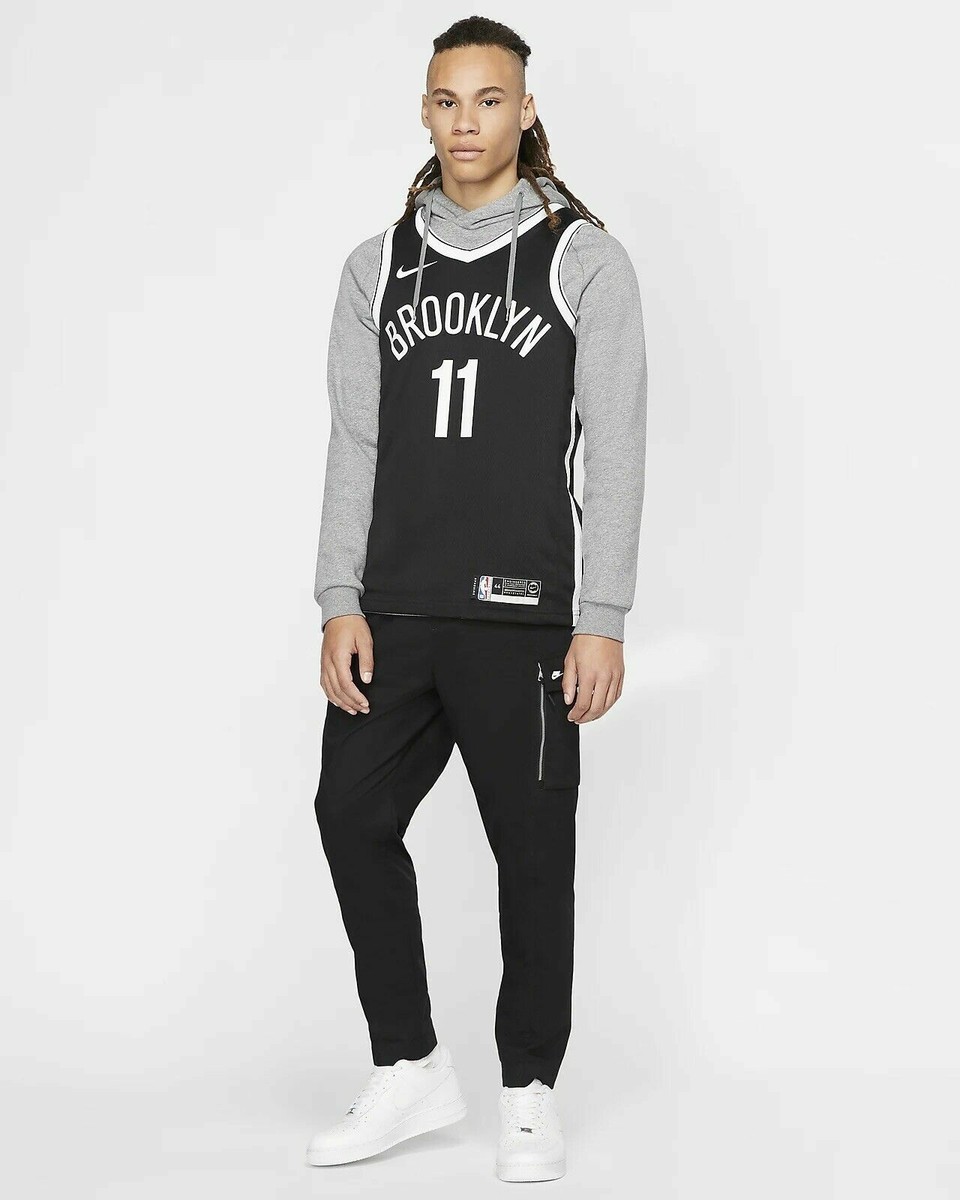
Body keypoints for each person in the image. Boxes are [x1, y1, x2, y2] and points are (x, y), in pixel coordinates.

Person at [306, 15, 646, 1183]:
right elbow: (355, 446)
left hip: (525, 618)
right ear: (425, 111)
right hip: (396, 613)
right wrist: (337, 597)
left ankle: (529, 1089)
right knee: (349, 815)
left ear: (526, 111)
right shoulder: (377, 267)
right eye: (447, 101)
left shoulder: (583, 260)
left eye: (490, 100)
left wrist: (601, 618)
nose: (467, 122)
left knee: (532, 858)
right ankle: (408, 1064)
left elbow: (616, 452)